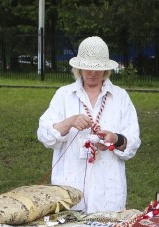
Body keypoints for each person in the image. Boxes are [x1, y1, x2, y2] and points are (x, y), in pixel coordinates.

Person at [37, 36, 141, 213]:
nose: (92, 73)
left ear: (106, 69)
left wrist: (113, 139)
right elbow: (45, 136)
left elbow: (131, 144)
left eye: (98, 68)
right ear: (79, 67)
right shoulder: (64, 95)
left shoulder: (120, 97)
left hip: (107, 190)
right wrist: (69, 122)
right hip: (69, 185)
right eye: (88, 68)